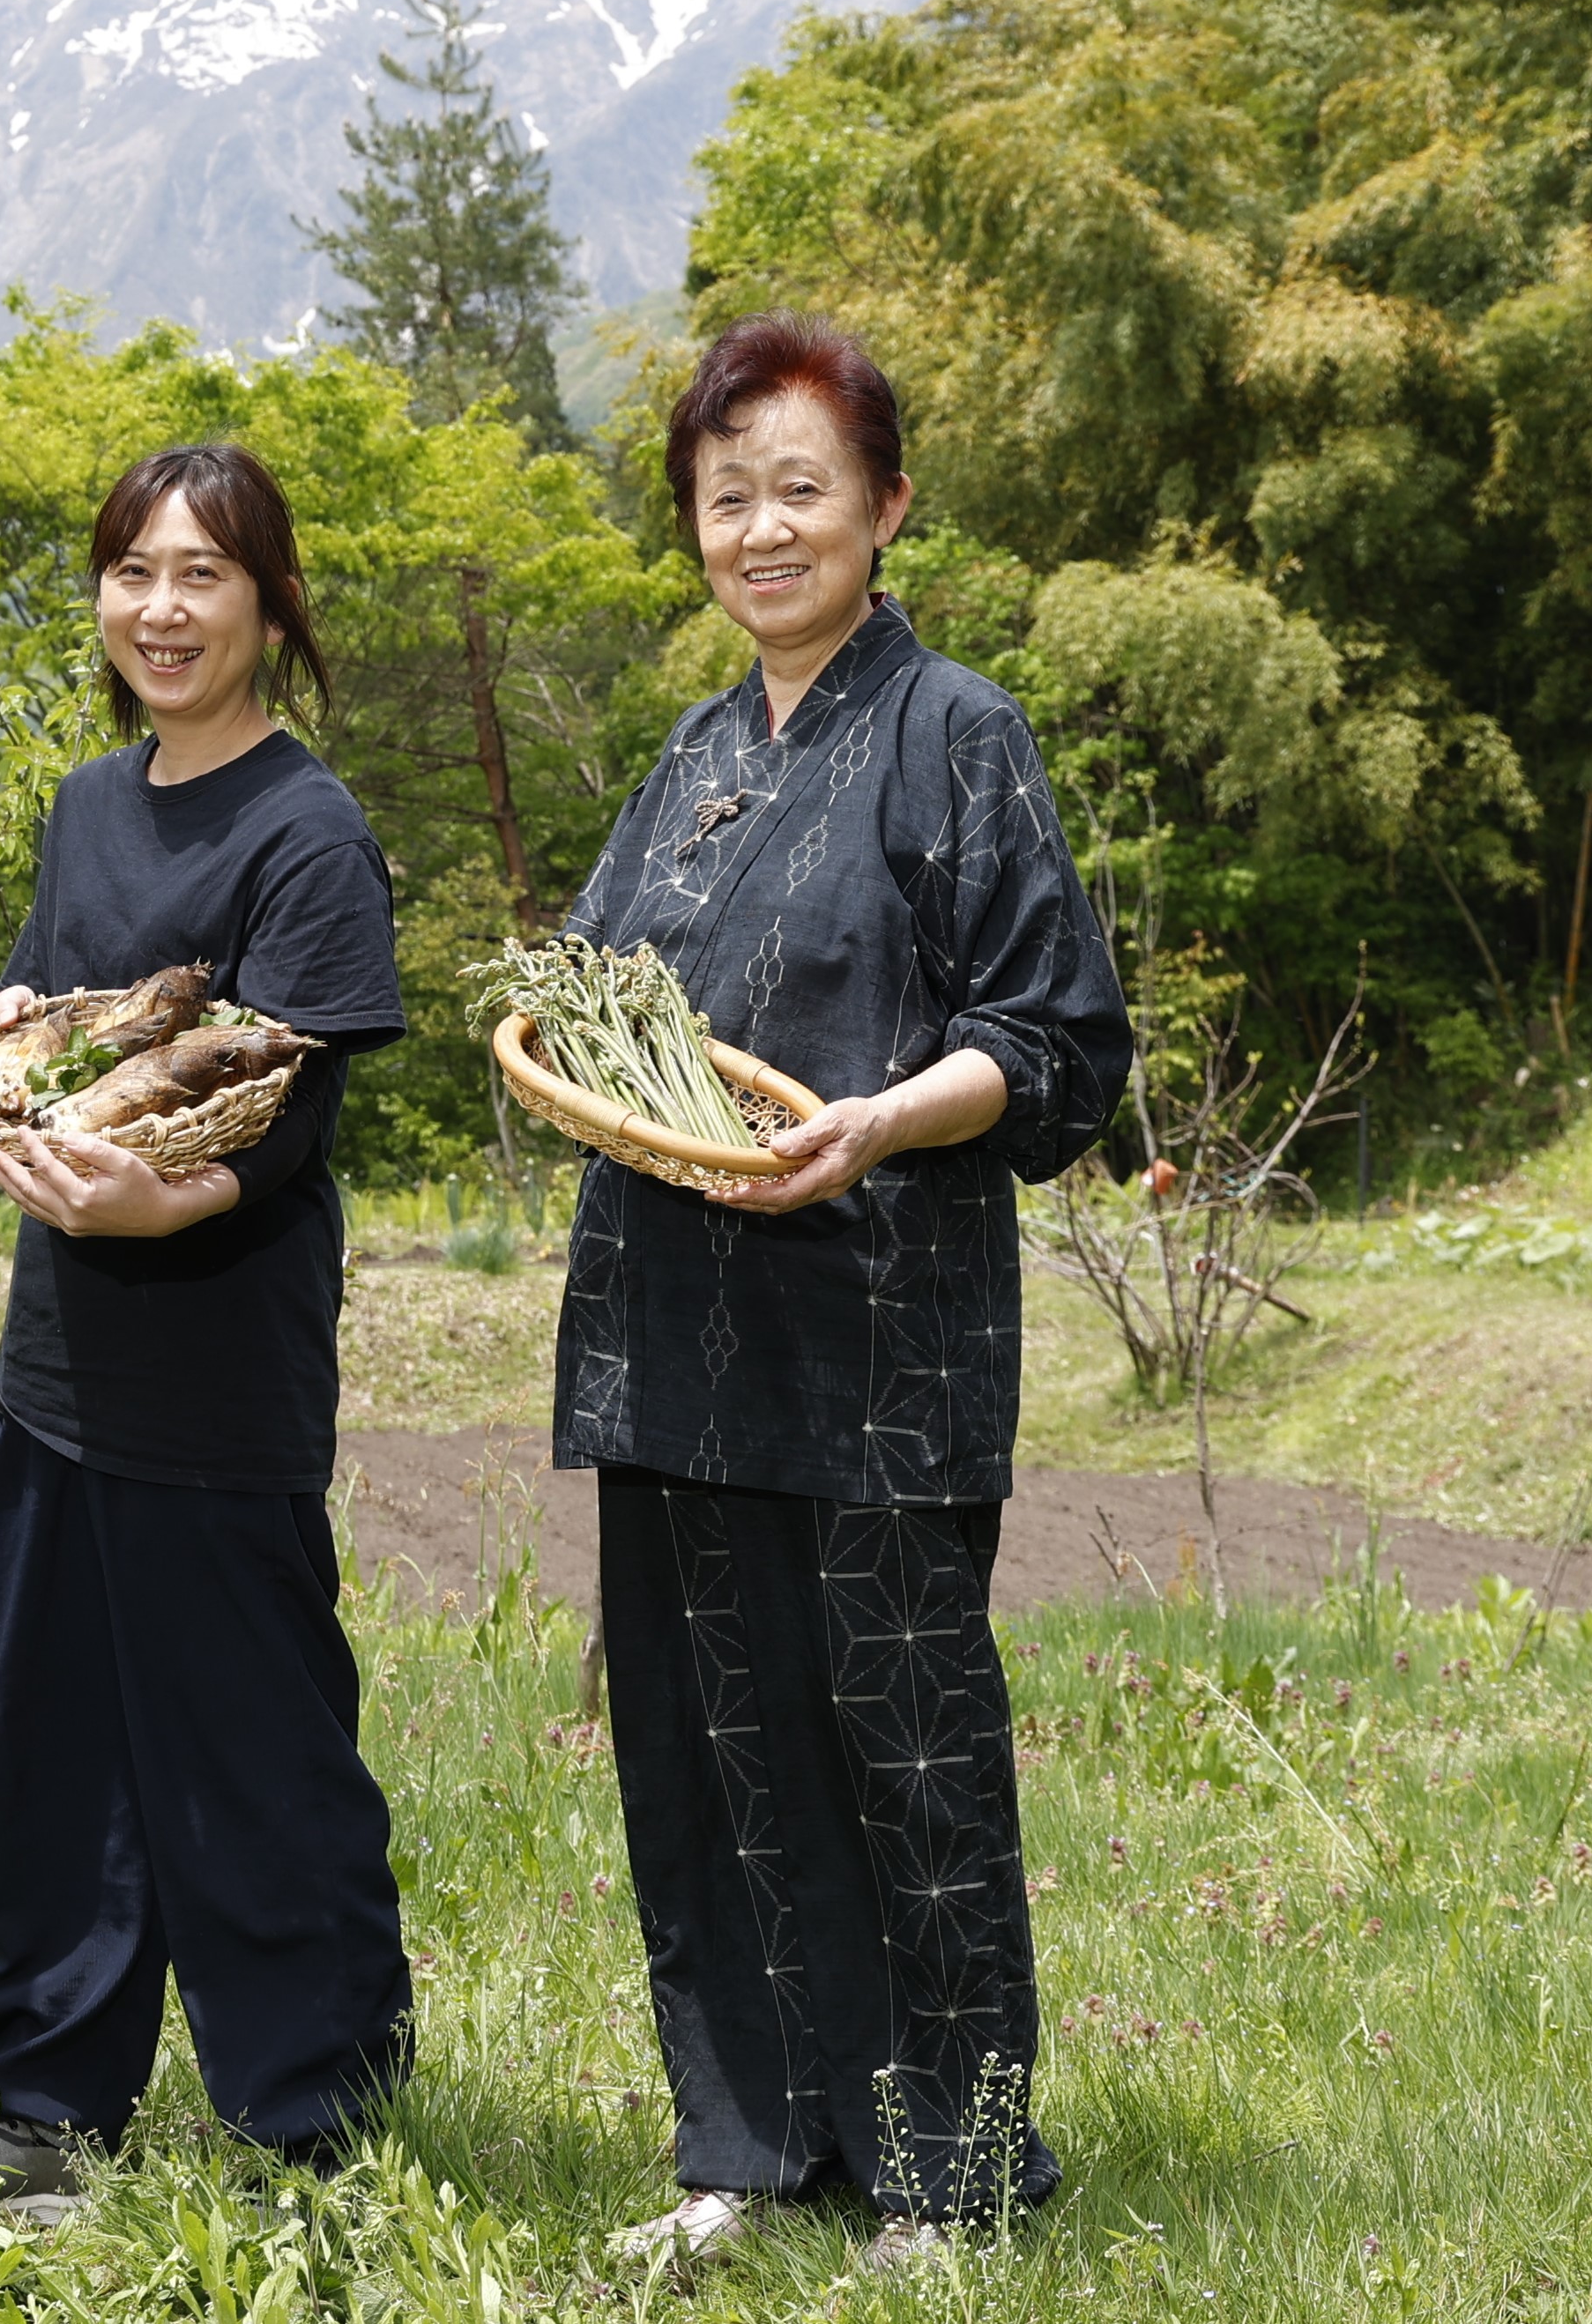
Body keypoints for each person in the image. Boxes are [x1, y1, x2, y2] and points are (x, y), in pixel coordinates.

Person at [555, 315, 1130, 2270]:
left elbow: (1053, 1039)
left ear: (885, 506)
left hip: (881, 1333)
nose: (764, 527)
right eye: (728, 495)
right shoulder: (691, 758)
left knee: (906, 1752)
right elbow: (587, 994)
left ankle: (951, 2173)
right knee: (705, 1746)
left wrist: (880, 1120)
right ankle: (749, 2144)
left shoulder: (957, 731)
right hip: (672, 1332)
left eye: (802, 486)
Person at [0, 443, 413, 2224]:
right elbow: (61, 1017)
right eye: (133, 573)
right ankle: (45, 2107)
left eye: (202, 576)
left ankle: (312, 2124)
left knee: (248, 1749)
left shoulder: (306, 827)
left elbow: (295, 1105)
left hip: (220, 1362)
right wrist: (13, 1043)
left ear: (270, 605)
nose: (162, 610)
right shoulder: (92, 803)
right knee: (52, 1747)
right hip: (59, 1357)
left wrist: (178, 1199)